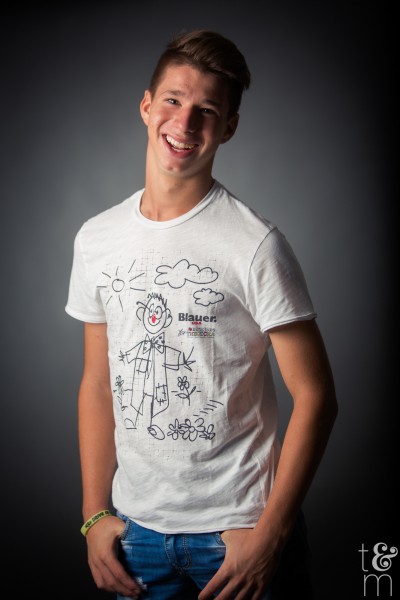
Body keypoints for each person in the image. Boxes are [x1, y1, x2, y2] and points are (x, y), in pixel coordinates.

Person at [65, 29, 338, 600]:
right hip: (137, 536)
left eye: (207, 110)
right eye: (173, 100)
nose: (185, 123)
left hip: (237, 531)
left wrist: (271, 534)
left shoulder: (255, 244)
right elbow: (97, 383)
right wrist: (94, 515)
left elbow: (316, 395)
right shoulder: (96, 239)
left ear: (229, 127)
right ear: (146, 106)